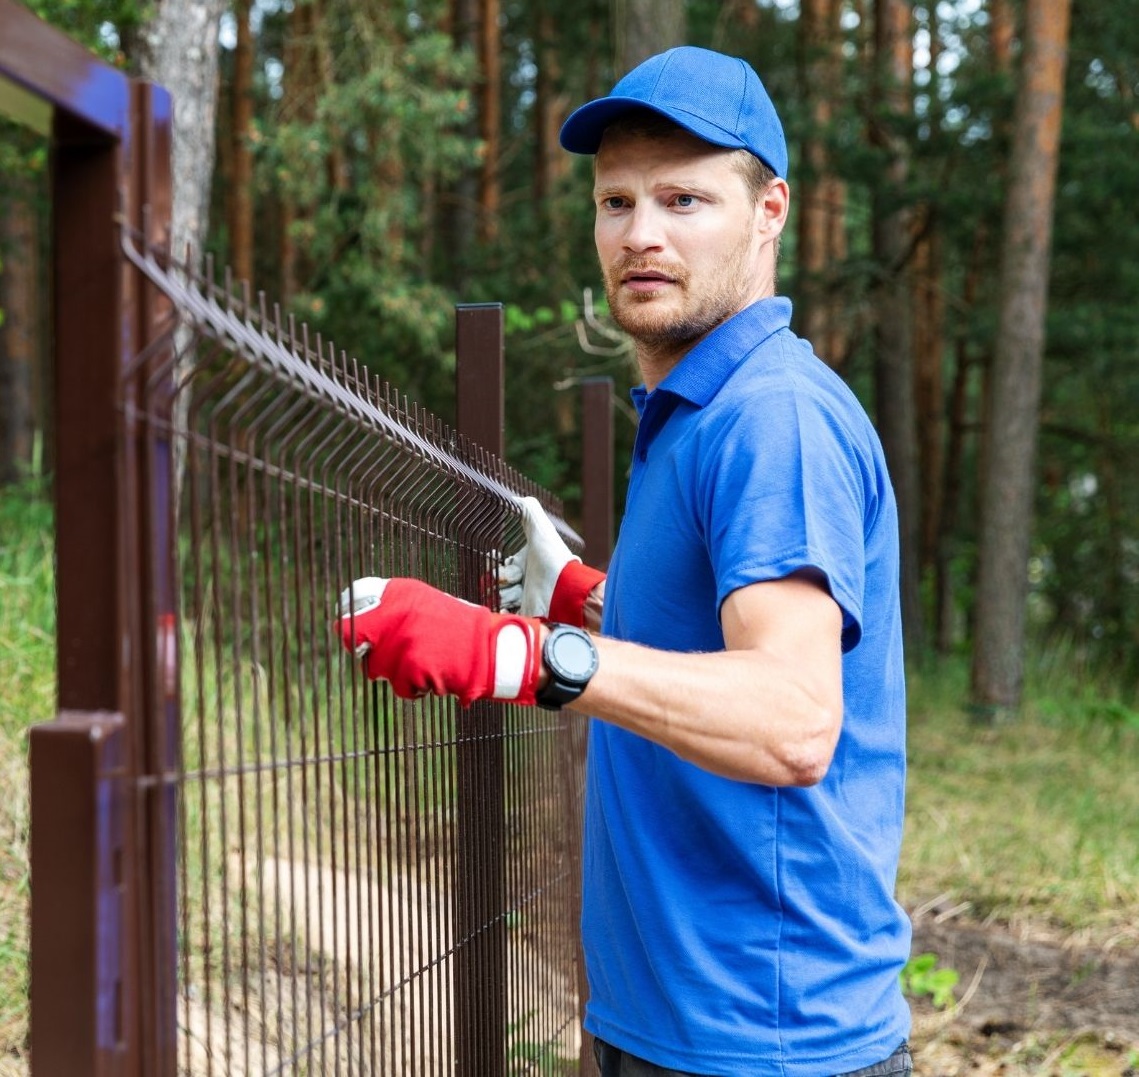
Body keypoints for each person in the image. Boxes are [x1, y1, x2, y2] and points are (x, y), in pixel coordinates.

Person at [337, 45, 912, 1077]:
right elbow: (727, 635)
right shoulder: (694, 412)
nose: (640, 235)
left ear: (768, 211)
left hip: (764, 1041)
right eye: (615, 202)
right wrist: (594, 599)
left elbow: (791, 719)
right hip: (668, 1019)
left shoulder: (769, 418)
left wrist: (524, 652)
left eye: (684, 200)